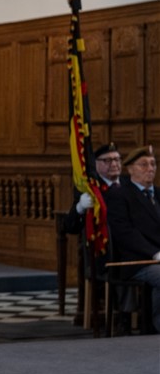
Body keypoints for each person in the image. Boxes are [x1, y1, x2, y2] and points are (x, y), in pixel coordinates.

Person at [105, 145, 160, 333]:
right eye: (143, 164)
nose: (150, 168)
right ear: (130, 169)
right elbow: (125, 233)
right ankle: (156, 327)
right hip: (136, 261)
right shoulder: (120, 195)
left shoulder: (158, 194)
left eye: (153, 164)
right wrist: (154, 253)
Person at [64, 142, 123, 235]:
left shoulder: (129, 183)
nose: (114, 164)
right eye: (108, 160)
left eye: (117, 159)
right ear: (96, 164)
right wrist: (80, 208)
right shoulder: (90, 188)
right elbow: (70, 227)